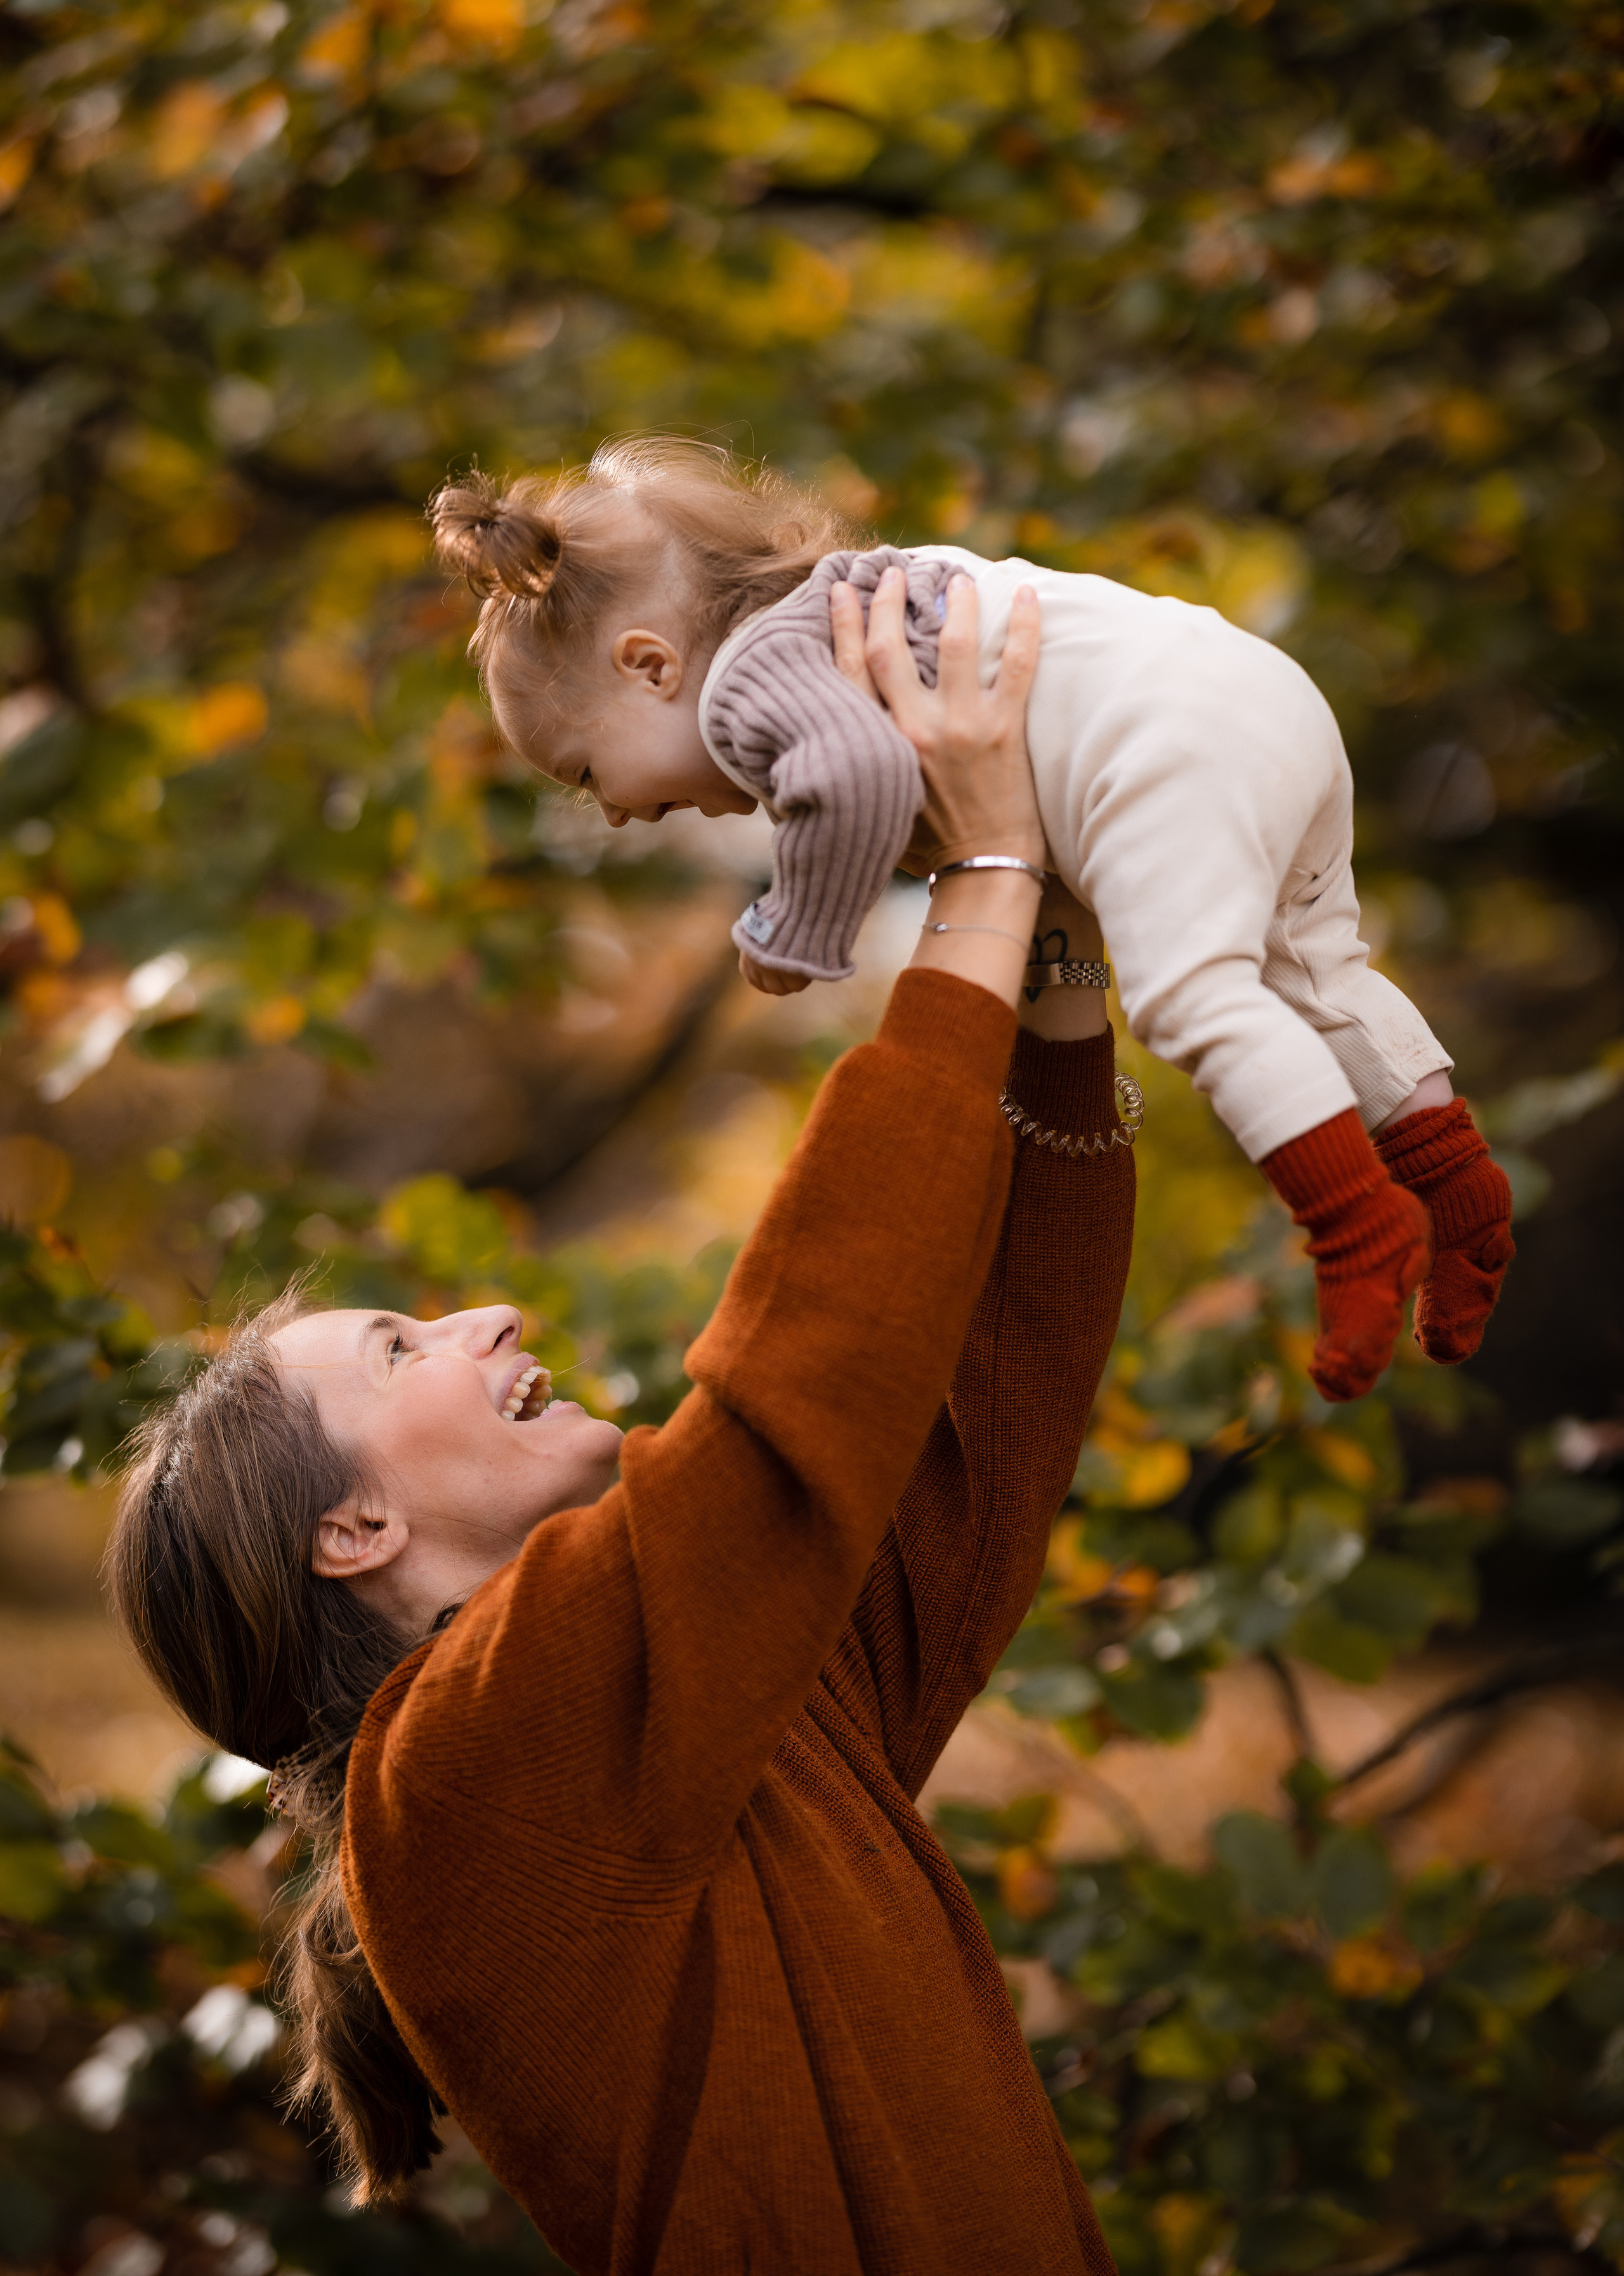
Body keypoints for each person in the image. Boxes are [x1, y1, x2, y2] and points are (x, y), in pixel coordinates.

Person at [108, 578, 1137, 2275]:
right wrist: (984, 873)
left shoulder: (722, 1702)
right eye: (400, 1341)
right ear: (351, 1528)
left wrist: (1059, 964)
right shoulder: (452, 1778)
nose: (489, 1314)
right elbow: (795, 1382)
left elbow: (983, 1426)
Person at [430, 438, 1514, 1405]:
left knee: (1195, 995)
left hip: (1158, 743)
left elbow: (851, 781)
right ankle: (1456, 1182)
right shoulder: (845, 603)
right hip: (1256, 694)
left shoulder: (749, 677)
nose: (617, 810)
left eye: (587, 772)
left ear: (651, 665)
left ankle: (1354, 1224)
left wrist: (794, 929)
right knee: (1315, 970)